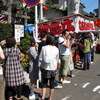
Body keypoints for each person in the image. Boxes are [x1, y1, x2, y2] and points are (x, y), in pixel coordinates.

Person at [39, 35, 59, 100]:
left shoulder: (44, 48)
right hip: (53, 67)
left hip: (45, 67)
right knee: (52, 83)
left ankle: (43, 96)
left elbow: (40, 58)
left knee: (44, 82)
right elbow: (57, 59)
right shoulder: (56, 49)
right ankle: (50, 98)